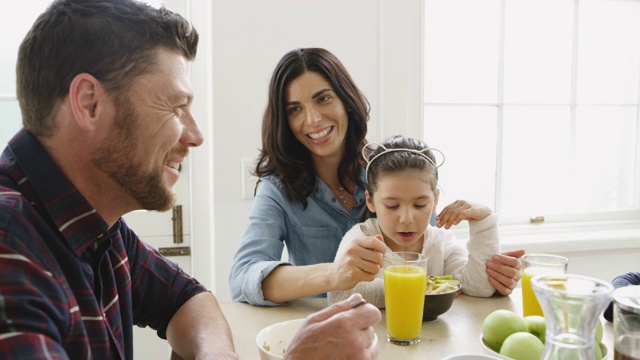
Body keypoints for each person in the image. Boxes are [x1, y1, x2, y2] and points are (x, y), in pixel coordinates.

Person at [0, 1, 380, 359]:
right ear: (89, 104)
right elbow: (244, 275)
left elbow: (186, 297)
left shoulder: (99, 227)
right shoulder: (11, 254)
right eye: (176, 106)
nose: (195, 135)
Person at [229, 47, 524, 307]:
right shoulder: (278, 189)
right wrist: (334, 275)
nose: (312, 119)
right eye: (295, 109)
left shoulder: (391, 171)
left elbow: (438, 264)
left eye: (324, 99)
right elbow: (243, 278)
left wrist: (492, 277)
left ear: (346, 100)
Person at [328, 135, 500, 307]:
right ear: (370, 201)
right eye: (392, 205)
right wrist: (422, 288)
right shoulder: (361, 239)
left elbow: (479, 287)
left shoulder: (442, 243)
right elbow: (340, 295)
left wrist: (484, 221)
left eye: (419, 205)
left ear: (435, 200)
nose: (406, 219)